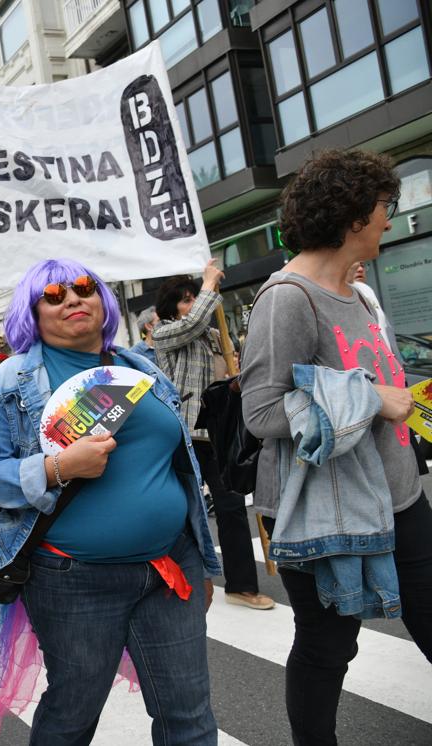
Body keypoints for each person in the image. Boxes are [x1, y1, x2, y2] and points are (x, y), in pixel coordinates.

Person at [0, 259, 221, 745]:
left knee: (189, 718)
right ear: (33, 313)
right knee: (72, 717)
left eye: (83, 288)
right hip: (74, 581)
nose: (73, 300)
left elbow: (176, 463)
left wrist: (202, 561)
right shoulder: (11, 382)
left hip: (170, 566)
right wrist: (58, 467)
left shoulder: (140, 366)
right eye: (55, 295)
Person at [240, 149, 431, 745]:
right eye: (384, 208)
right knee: (328, 646)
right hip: (324, 511)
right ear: (353, 217)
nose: (388, 221)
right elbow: (263, 412)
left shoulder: (359, 293)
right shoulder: (287, 299)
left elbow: (383, 382)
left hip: (398, 496)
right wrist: (374, 399)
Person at [153, 265, 275, 611]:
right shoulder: (167, 332)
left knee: (232, 504)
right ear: (169, 307)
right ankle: (175, 575)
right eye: (184, 300)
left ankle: (241, 585)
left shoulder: (211, 333)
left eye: (195, 298)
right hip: (185, 431)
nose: (192, 305)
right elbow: (191, 324)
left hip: (217, 431)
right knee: (181, 509)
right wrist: (208, 284)